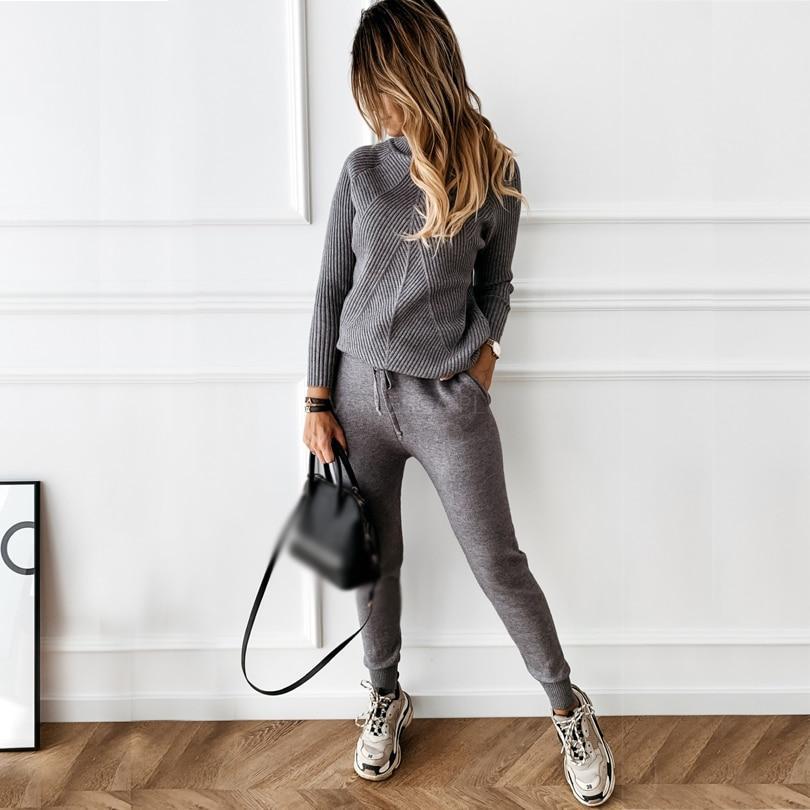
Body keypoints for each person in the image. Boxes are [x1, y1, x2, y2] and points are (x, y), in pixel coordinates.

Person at [302, 0, 615, 804]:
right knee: (373, 559)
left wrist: (481, 372)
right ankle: (384, 694)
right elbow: (331, 288)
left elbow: (497, 285)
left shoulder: (493, 171)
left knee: (497, 563)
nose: (374, 107)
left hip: (447, 401)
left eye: (380, 86)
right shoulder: (362, 172)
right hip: (356, 396)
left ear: (413, 73)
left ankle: (567, 706)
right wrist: (316, 399)